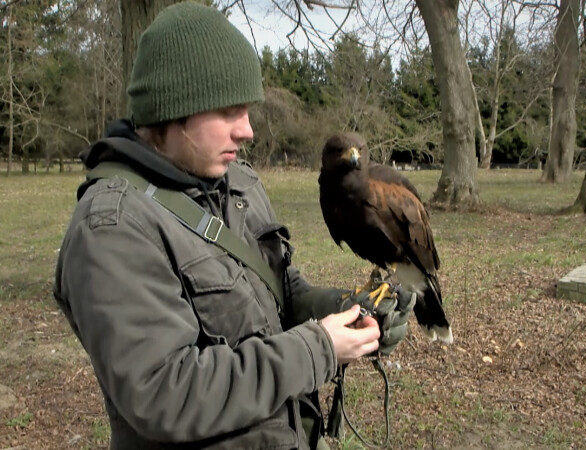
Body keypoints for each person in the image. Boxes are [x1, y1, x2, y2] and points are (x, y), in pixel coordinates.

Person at [53, 3, 415, 449]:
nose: (247, 131)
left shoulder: (235, 181)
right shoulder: (113, 228)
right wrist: (317, 349)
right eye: (229, 111)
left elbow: (279, 291)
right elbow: (165, 394)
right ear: (172, 110)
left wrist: (343, 309)